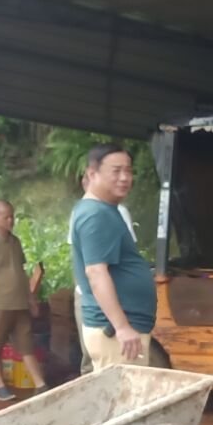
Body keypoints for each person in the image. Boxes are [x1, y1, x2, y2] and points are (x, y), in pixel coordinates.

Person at [69, 142, 155, 371]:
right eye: (116, 171)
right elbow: (96, 273)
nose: (125, 177)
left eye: (128, 170)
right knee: (123, 403)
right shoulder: (95, 215)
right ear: (92, 174)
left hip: (119, 331)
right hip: (114, 333)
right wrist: (122, 327)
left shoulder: (105, 211)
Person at [0, 197, 48, 399]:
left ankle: (40, 384)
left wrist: (31, 299)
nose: (11, 220)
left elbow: (22, 271)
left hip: (19, 304)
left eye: (12, 216)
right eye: (6, 217)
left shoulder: (15, 242)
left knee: (26, 345)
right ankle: (0, 387)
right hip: (0, 304)